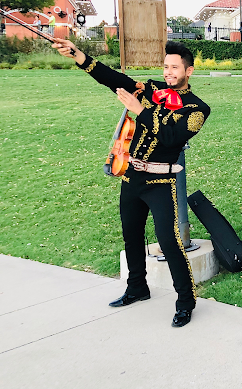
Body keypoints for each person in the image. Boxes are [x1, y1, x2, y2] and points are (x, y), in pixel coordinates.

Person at [52, 38, 210, 328]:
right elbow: (114, 80)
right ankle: (137, 287)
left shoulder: (197, 108)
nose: (168, 72)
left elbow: (172, 137)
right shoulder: (150, 90)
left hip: (162, 180)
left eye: (175, 67)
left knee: (169, 241)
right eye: (166, 66)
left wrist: (141, 110)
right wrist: (79, 56)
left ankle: (186, 300)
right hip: (132, 176)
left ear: (188, 71)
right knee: (132, 235)